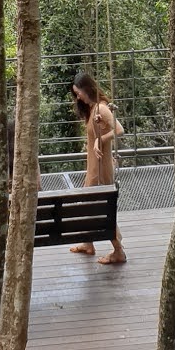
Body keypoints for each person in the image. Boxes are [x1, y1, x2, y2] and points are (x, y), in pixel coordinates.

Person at [68, 69, 126, 265]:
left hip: (101, 167)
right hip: (94, 166)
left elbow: (119, 130)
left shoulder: (101, 109)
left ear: (87, 89)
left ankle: (118, 250)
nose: (78, 97)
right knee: (90, 204)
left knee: (100, 206)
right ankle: (88, 242)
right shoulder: (94, 110)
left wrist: (99, 141)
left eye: (79, 92)